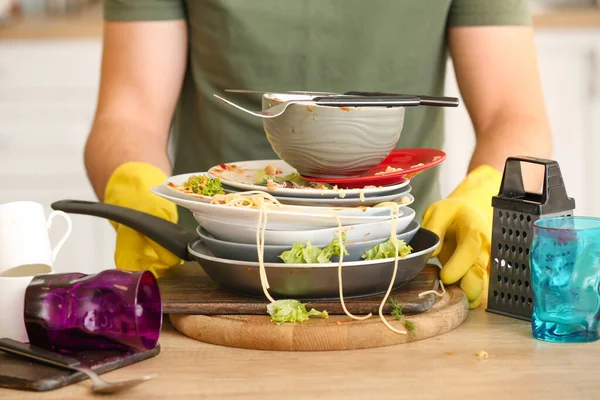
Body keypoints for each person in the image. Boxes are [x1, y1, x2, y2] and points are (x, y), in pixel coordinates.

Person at [84, 0, 552, 309]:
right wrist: (134, 186)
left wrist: (487, 196)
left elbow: (514, 113)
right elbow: (129, 113)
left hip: (396, 265)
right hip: (206, 270)